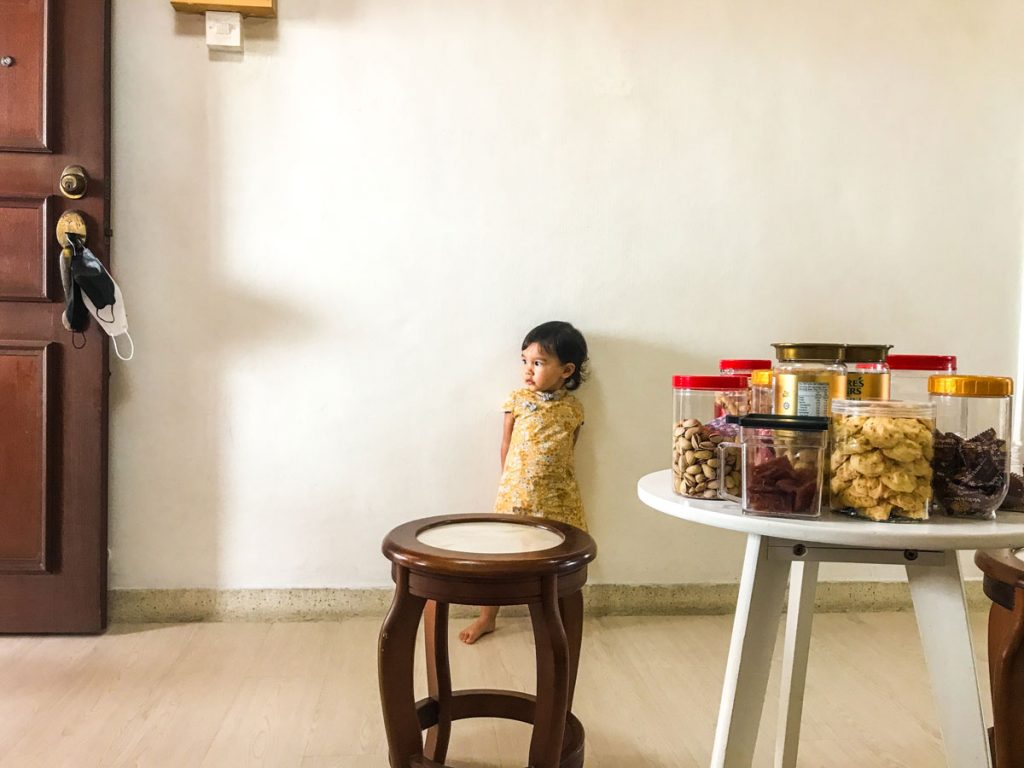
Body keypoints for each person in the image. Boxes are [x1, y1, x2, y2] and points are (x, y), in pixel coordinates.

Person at [459, 320, 589, 644]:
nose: (528, 370)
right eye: (525, 361)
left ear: (566, 370)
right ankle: (487, 616)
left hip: (559, 498)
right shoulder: (516, 400)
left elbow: (569, 447)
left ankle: (553, 618)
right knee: (501, 558)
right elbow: (505, 444)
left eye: (538, 363)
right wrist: (510, 481)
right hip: (516, 495)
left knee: (555, 558)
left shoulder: (573, 408)